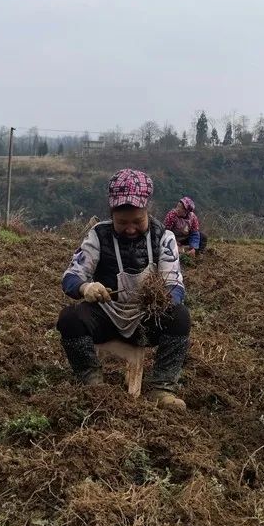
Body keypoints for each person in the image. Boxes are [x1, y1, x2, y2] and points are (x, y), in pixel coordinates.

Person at [57, 169, 190, 411]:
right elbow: (70, 277)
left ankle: (162, 387)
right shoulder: (98, 235)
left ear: (147, 210)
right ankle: (91, 382)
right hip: (107, 316)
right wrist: (85, 287)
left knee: (180, 316)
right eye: (122, 223)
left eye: (138, 222)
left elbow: (174, 283)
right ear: (111, 216)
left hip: (146, 320)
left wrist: (165, 300)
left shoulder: (164, 237)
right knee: (69, 319)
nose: (130, 229)